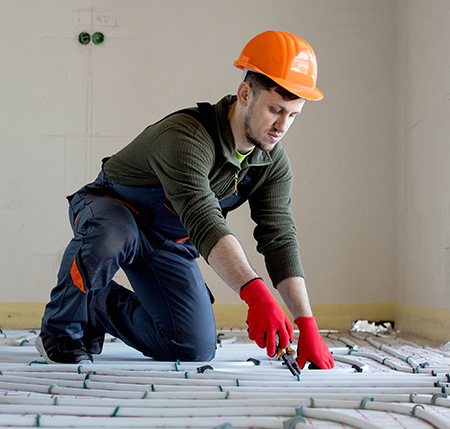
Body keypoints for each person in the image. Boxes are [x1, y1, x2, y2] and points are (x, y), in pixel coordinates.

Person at [36, 30, 334, 370]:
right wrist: (255, 294)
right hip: (114, 210)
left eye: (293, 115)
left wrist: (306, 322)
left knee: (192, 345)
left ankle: (96, 305)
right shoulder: (186, 137)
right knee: (110, 236)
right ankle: (58, 330)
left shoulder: (271, 163)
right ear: (245, 93)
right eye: (275, 110)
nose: (282, 125)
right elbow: (204, 218)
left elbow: (279, 237)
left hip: (167, 240)